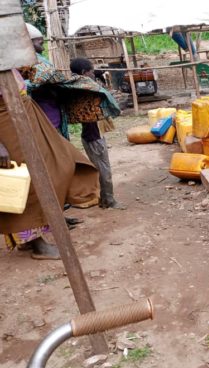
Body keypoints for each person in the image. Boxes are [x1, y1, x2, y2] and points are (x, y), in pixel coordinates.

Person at [0, 70, 99, 260]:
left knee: (56, 164)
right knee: (26, 183)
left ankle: (30, 237)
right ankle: (37, 243)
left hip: (22, 114)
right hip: (6, 122)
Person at [69, 58, 125, 209]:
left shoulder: (75, 88)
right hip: (94, 137)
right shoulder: (87, 89)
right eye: (91, 72)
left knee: (101, 169)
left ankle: (103, 198)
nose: (93, 74)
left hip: (90, 136)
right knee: (104, 170)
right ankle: (108, 201)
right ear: (83, 73)